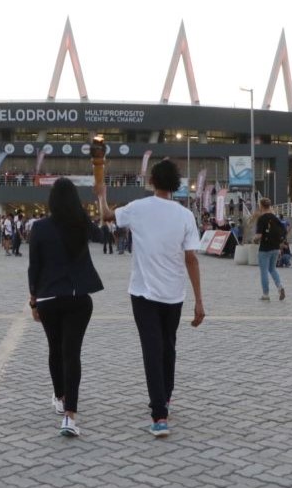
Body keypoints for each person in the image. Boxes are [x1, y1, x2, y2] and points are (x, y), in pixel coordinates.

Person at [96, 159, 205, 438]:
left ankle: (160, 415)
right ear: (176, 184)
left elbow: (107, 216)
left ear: (152, 181)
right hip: (175, 294)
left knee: (153, 350)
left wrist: (101, 195)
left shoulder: (137, 208)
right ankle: (163, 400)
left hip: (143, 293)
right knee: (168, 347)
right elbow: (191, 259)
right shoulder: (185, 215)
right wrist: (200, 301)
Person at [28, 178, 104, 437]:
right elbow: (105, 236)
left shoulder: (39, 227)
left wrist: (33, 300)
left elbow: (33, 267)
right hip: (78, 298)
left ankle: (60, 397)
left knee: (55, 350)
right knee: (72, 354)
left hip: (48, 299)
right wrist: (91, 208)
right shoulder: (80, 224)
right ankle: (70, 416)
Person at [253, 198, 286, 301]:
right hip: (275, 248)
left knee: (264, 271)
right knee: (273, 269)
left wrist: (254, 239)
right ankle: (280, 287)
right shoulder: (275, 218)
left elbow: (258, 235)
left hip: (265, 248)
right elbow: (284, 230)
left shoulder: (262, 218)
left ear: (261, 206)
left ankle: (266, 294)